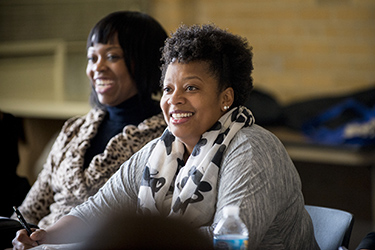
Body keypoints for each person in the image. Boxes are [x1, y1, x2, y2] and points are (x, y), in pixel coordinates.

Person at [13, 24, 319, 250]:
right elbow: (94, 211)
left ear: (226, 98)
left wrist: (134, 240)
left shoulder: (251, 149)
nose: (174, 100)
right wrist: (45, 236)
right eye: (169, 89)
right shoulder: (158, 152)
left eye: (192, 88)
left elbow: (229, 240)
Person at [2, 10, 168, 248]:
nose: (97, 68)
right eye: (92, 58)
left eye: (111, 56)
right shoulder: (74, 130)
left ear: (143, 61)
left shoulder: (166, 136)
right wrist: (22, 235)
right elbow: (30, 210)